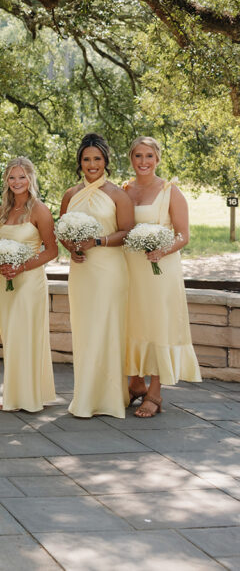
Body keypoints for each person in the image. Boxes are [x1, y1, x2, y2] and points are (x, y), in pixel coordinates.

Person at [123, 136, 201, 418]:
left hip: (160, 270)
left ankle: (155, 391)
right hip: (130, 268)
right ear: (131, 159)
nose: (143, 162)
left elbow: (184, 235)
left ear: (157, 159)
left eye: (149, 156)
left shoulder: (170, 191)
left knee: (157, 324)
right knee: (131, 321)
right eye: (138, 156)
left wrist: (161, 251)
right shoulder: (124, 189)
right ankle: (135, 383)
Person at [59, 133, 134, 419]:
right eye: (87, 159)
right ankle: (86, 396)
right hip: (81, 271)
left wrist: (98, 242)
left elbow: (126, 232)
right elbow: (63, 230)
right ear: (80, 162)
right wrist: (72, 249)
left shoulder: (117, 194)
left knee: (107, 329)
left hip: (109, 271)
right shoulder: (70, 194)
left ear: (106, 161)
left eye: (97, 159)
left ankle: (112, 397)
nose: (92, 164)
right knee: (85, 331)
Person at [0, 157, 57, 412]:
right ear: (6, 181)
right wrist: (0, 268)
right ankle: (16, 393)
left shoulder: (39, 210)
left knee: (26, 335)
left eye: (21, 177)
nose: (17, 182)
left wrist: (22, 266)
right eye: (12, 177)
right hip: (5, 282)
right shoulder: (1, 212)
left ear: (30, 178)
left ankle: (29, 396)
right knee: (11, 336)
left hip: (30, 282)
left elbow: (51, 251)